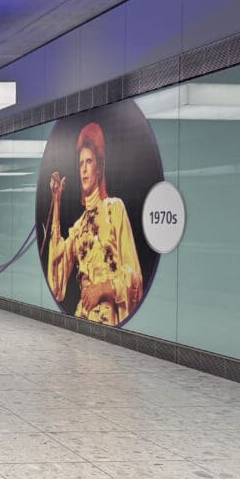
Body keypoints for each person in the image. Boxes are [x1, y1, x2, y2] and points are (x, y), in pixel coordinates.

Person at [47, 122, 142, 326]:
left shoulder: (114, 209)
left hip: (110, 319)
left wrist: (104, 288)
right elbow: (56, 281)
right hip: (83, 316)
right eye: (81, 163)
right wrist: (56, 203)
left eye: (89, 162)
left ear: (99, 168)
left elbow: (134, 276)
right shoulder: (79, 226)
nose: (84, 169)